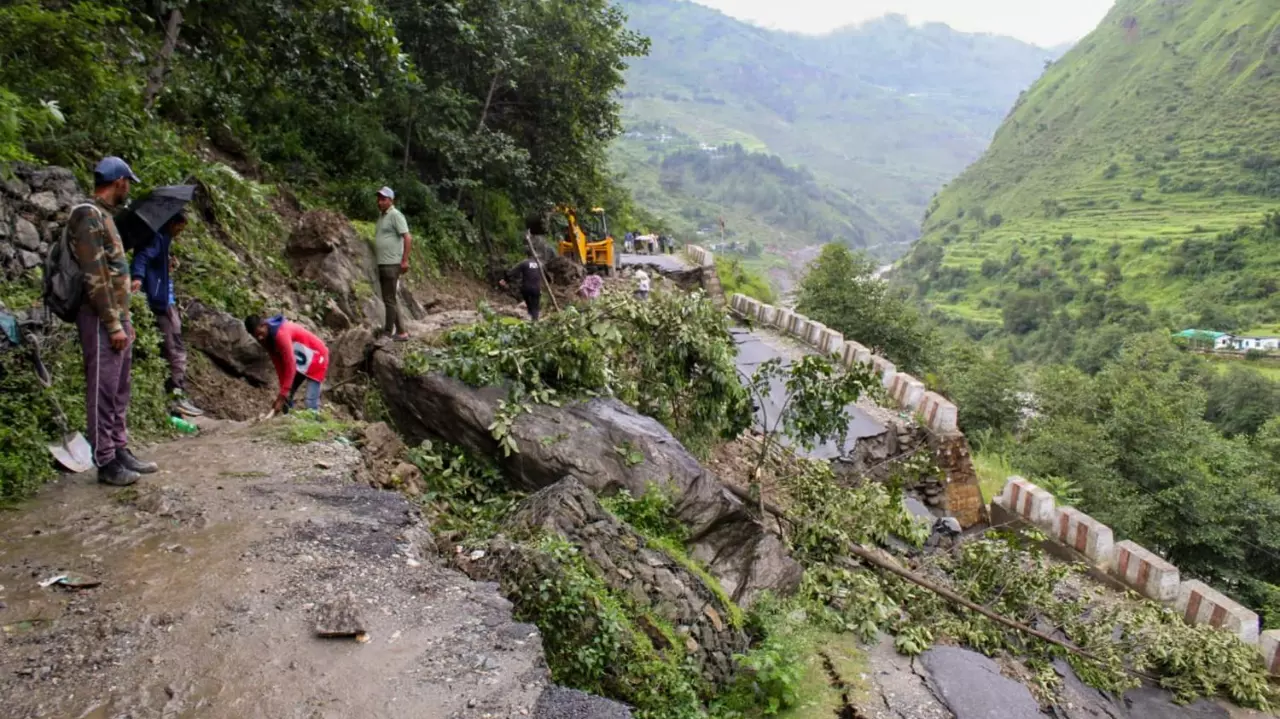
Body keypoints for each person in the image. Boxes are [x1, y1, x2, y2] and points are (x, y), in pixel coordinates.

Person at [71, 156, 157, 486]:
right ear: (118, 181)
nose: (129, 189)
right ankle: (105, 460)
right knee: (103, 388)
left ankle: (119, 448)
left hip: (118, 315)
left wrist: (125, 313)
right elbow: (94, 276)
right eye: (128, 183)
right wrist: (113, 323)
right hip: (99, 317)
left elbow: (113, 272)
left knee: (119, 387)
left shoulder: (105, 217)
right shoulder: (87, 215)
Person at [130, 213, 202, 417]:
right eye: (179, 228)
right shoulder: (158, 238)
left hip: (162, 297)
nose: (180, 233)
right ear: (172, 223)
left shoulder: (163, 239)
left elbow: (153, 263)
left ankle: (174, 394)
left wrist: (167, 265)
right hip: (161, 301)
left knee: (172, 347)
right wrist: (137, 277)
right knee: (175, 347)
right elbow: (142, 256)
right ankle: (176, 394)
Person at [245, 314, 330, 415]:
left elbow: (290, 365)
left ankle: (316, 426)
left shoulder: (281, 334)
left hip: (317, 357)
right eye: (255, 336)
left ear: (264, 325)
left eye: (260, 333)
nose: (259, 338)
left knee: (310, 401)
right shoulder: (265, 339)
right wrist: (283, 392)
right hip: (301, 360)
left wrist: (281, 396)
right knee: (286, 398)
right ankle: (290, 421)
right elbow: (279, 365)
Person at [373, 186, 412, 341]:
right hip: (383, 263)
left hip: (392, 263)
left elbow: (408, 237)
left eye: (383, 199)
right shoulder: (382, 217)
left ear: (391, 200)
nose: (380, 202)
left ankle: (388, 332)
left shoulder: (396, 215)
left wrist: (405, 260)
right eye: (379, 199)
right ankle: (402, 332)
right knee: (390, 299)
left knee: (389, 299)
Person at [499, 248, 545, 322]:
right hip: (536, 288)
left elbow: (512, 272)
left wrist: (505, 280)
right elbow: (546, 275)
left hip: (526, 288)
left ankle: (531, 315)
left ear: (527, 255)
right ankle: (534, 321)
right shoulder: (540, 264)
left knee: (529, 304)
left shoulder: (524, 263)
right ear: (535, 254)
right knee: (535, 306)